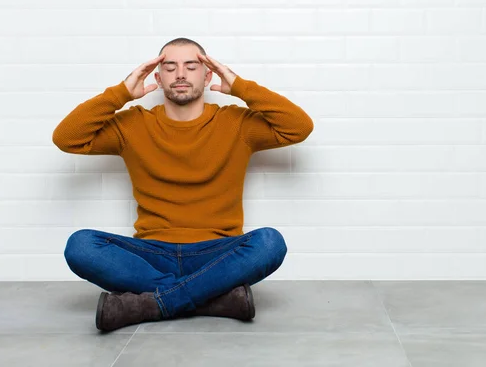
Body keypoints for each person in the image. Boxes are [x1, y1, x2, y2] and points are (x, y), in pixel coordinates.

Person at [52, 38, 314, 332]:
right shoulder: (132, 124)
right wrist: (122, 93)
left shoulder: (237, 124)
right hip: (152, 254)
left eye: (191, 66)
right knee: (81, 245)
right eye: (170, 67)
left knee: (269, 242)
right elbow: (67, 138)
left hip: (217, 253)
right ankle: (211, 299)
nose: (180, 74)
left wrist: (241, 87)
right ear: (158, 77)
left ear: (208, 75)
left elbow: (298, 126)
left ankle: (156, 302)